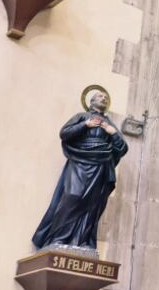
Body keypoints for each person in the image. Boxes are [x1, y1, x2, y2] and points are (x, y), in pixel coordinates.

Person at [33, 90, 128, 249]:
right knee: (72, 196)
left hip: (101, 165)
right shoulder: (81, 117)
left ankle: (83, 241)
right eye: (100, 96)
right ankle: (57, 239)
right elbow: (64, 133)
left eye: (105, 97)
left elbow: (123, 148)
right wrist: (85, 125)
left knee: (93, 204)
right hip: (80, 162)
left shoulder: (109, 124)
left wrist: (112, 133)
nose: (103, 98)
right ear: (91, 102)